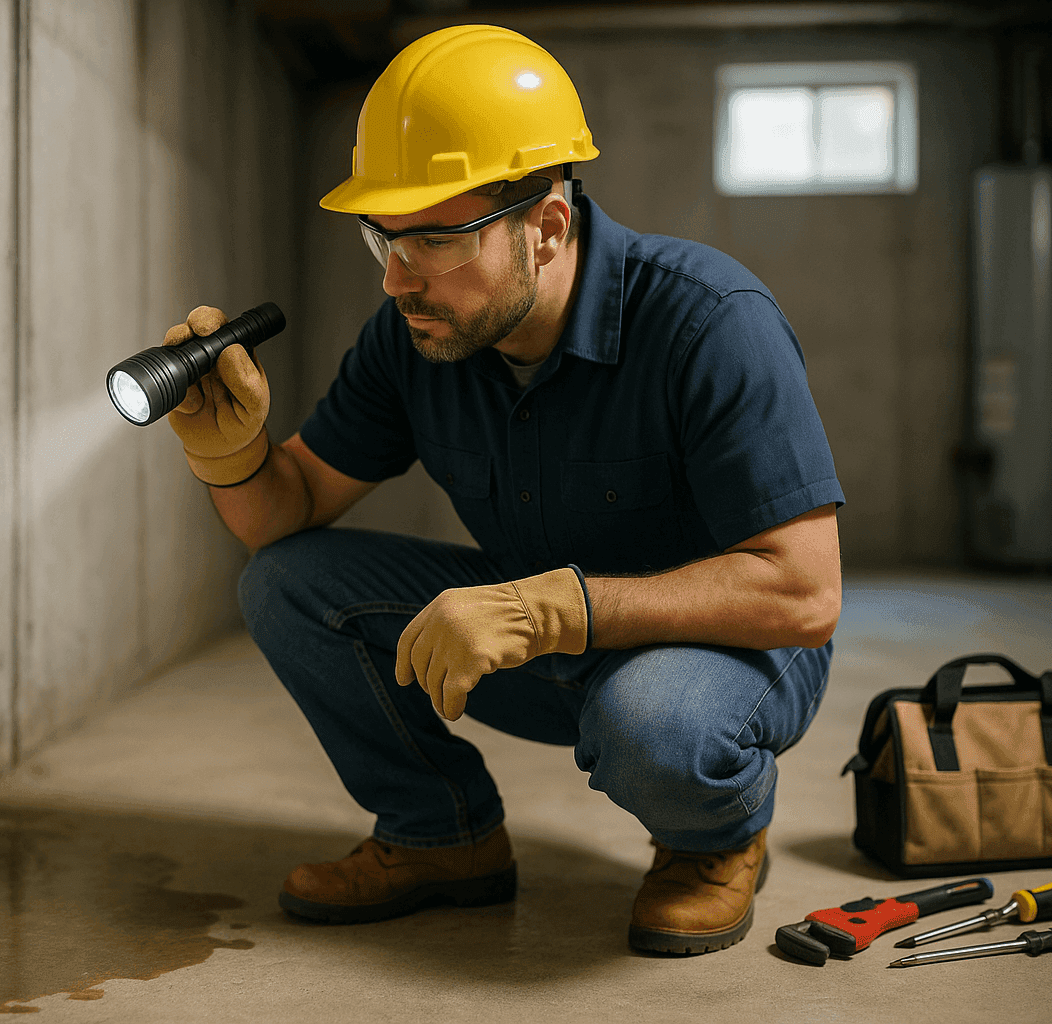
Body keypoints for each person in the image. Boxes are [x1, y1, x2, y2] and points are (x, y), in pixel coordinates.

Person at [161, 24, 844, 956]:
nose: (399, 279)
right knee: (285, 583)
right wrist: (232, 453)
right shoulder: (421, 331)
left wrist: (551, 609)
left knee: (649, 719)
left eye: (436, 239)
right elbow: (285, 515)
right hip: (546, 637)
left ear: (548, 228)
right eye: (382, 239)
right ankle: (443, 836)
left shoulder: (709, 322)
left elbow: (805, 591)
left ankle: (715, 839)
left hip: (725, 658)